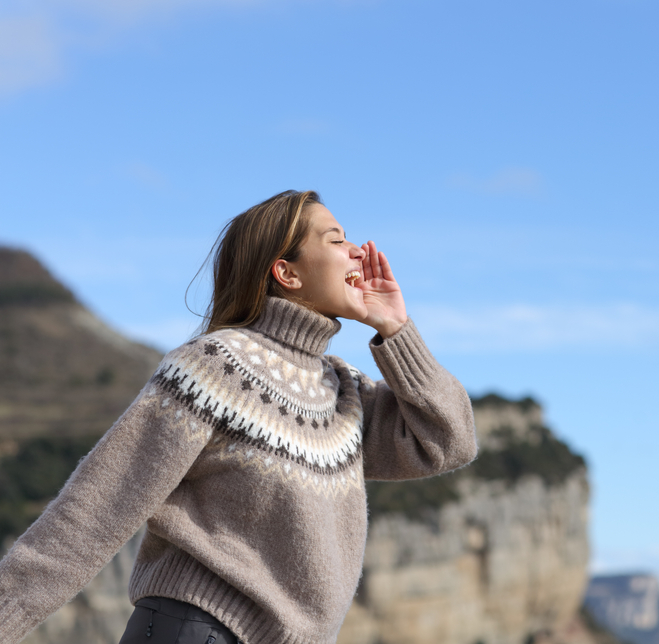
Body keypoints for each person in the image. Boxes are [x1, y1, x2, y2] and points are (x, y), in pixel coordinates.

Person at [0, 190, 478, 644]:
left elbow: (448, 441)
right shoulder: (215, 365)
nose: (357, 251)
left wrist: (396, 329)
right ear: (286, 273)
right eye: (335, 239)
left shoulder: (345, 391)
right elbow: (95, 508)